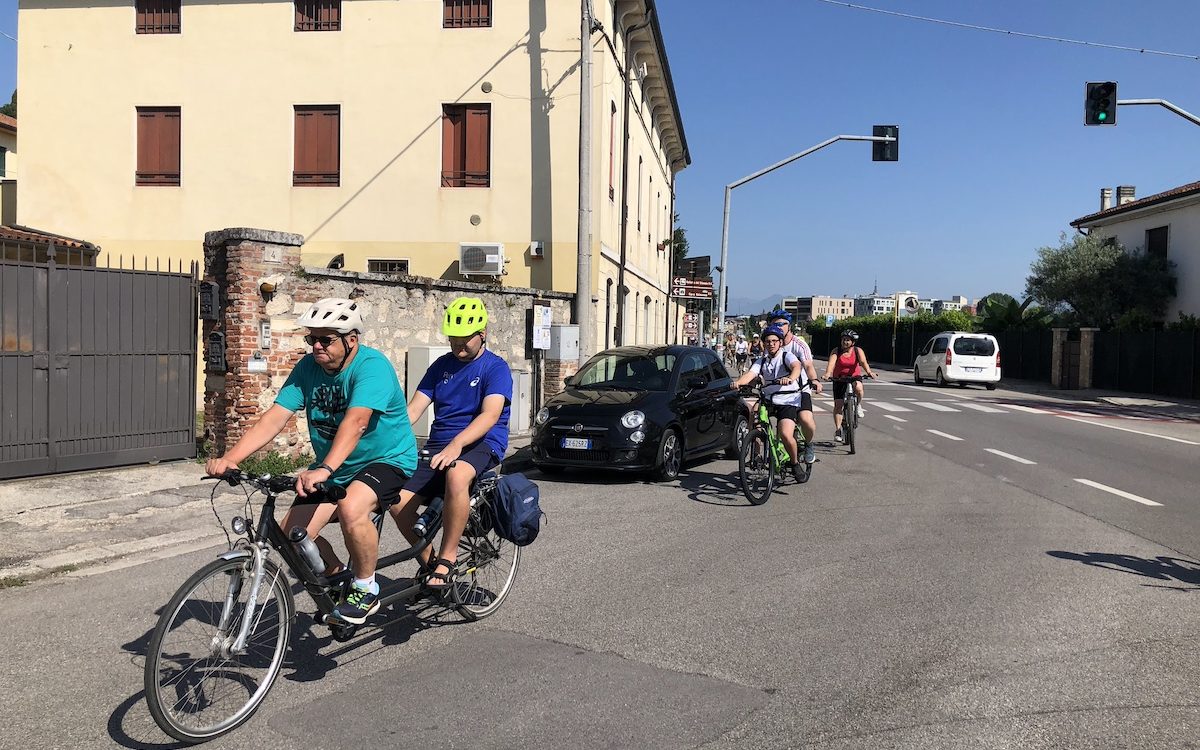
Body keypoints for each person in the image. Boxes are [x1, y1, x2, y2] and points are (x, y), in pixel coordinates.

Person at [205, 298, 418, 625]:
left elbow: (357, 421)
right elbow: (275, 417)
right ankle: (339, 578)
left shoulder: (372, 367)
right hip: (338, 466)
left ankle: (365, 587)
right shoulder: (308, 368)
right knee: (294, 534)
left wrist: (324, 468)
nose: (316, 346)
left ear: (351, 340)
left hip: (386, 459)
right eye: (311, 339)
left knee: (352, 507)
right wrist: (230, 458)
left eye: (325, 339)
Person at [389, 297, 512, 593]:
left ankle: (448, 556)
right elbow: (414, 409)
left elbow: (491, 414)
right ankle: (430, 563)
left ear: (482, 334)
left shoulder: (495, 368)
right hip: (439, 445)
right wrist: (385, 435)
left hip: (482, 442)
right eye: (453, 338)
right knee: (396, 501)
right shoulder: (440, 366)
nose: (458, 345)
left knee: (457, 474)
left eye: (464, 339)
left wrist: (457, 444)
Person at [731, 325, 823, 479]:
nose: (771, 344)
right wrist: (739, 383)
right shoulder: (762, 360)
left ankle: (794, 464)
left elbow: (796, 367)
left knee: (786, 434)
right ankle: (757, 452)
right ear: (764, 344)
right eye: (767, 341)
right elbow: (751, 373)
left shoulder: (787, 356)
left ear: (780, 342)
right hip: (769, 400)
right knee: (755, 416)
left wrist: (791, 378)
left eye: (774, 341)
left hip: (788, 400)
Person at [822, 329, 877, 443]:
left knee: (859, 388)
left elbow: (863, 362)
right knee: (838, 405)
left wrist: (869, 372)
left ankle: (858, 405)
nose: (844, 342)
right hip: (839, 378)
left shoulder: (857, 351)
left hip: (854, 376)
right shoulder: (836, 351)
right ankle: (838, 430)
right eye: (843, 340)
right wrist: (828, 374)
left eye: (847, 340)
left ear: (853, 342)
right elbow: (831, 364)